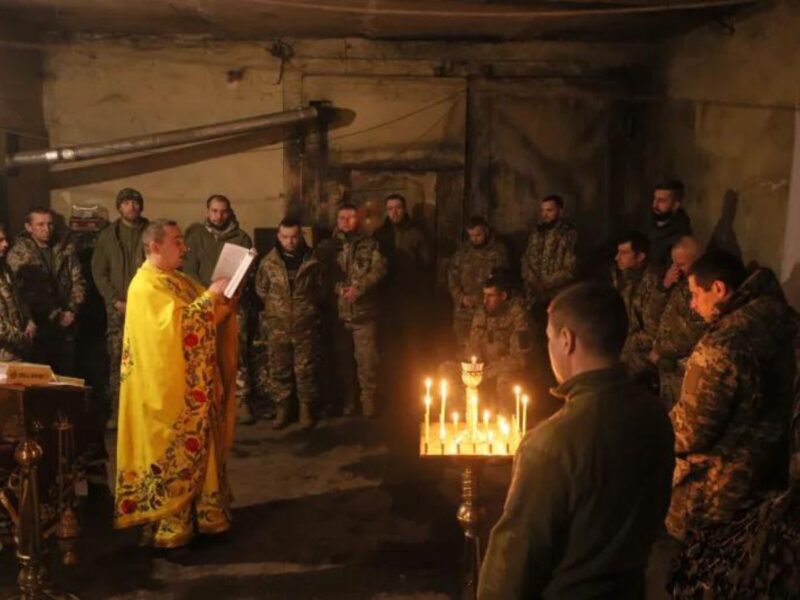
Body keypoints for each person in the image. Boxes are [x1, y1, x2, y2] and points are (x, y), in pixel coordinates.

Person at [478, 282, 674, 600]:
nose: (550, 348)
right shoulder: (655, 415)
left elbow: (516, 558)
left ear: (566, 340)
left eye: (549, 339)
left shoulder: (551, 443)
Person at [114, 220, 239, 549]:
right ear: (154, 247)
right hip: (166, 393)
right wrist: (212, 296)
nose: (185, 248)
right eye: (177, 241)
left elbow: (208, 315)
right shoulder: (144, 288)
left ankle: (205, 513)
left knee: (204, 444)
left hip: (195, 384)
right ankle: (172, 522)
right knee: (172, 449)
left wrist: (224, 297)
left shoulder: (178, 280)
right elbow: (181, 329)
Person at [666, 251, 797, 541]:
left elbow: (691, 432)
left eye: (696, 294)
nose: (693, 304)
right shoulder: (780, 316)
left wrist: (655, 430)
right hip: (770, 475)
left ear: (719, 289)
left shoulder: (722, 345)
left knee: (701, 571)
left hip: (718, 490)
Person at [183, 194, 256, 425]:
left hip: (232, 303)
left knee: (237, 352)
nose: (218, 215)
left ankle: (241, 400)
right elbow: (187, 269)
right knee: (204, 352)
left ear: (229, 211)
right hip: (202, 303)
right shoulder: (194, 237)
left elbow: (246, 271)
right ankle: (205, 401)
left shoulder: (241, 238)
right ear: (207, 212)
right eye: (214, 211)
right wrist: (206, 294)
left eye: (223, 211)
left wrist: (231, 293)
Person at [255, 218, 323, 430]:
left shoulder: (313, 261)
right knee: (279, 368)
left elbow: (321, 289)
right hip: (278, 326)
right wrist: (278, 308)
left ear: (300, 236)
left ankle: (306, 410)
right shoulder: (269, 262)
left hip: (305, 325)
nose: (290, 241)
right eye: (285, 237)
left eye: (294, 237)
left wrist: (307, 308)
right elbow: (261, 289)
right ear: (278, 236)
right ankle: (282, 410)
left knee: (305, 369)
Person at [319, 203, 387, 417]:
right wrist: (339, 289)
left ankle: (368, 402)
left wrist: (359, 288)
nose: (347, 221)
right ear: (337, 221)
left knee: (367, 362)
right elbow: (321, 274)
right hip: (338, 314)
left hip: (364, 314)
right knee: (343, 362)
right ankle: (348, 401)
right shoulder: (327, 247)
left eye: (351, 217)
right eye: (342, 218)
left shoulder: (371, 244)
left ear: (358, 219)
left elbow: (380, 269)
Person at [91, 187, 149, 429]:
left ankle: (146, 412)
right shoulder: (108, 236)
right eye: (126, 203)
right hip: (118, 310)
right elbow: (99, 272)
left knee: (147, 360)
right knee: (118, 361)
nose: (132, 207)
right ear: (119, 207)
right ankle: (118, 412)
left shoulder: (153, 231)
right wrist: (115, 301)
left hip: (148, 308)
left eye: (135, 202)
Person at [7, 207, 85, 375]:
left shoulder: (65, 249)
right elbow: (24, 293)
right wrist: (55, 314)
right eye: (40, 224)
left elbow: (77, 280)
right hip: (39, 327)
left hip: (67, 325)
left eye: (49, 224)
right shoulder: (18, 254)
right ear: (29, 227)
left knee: (67, 376)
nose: (46, 229)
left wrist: (72, 310)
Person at [440, 272, 531, 411]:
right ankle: (459, 419)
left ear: (503, 296)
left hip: (501, 371)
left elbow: (519, 359)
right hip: (481, 368)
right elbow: (473, 345)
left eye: (490, 296)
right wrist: (471, 368)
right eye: (484, 295)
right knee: (446, 369)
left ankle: (505, 423)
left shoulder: (517, 316)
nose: (485, 300)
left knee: (504, 380)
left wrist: (487, 373)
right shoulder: (481, 313)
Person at [373, 193, 432, 403]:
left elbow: (427, 266)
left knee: (414, 348)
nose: (394, 212)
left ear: (404, 208)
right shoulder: (379, 235)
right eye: (390, 208)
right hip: (388, 302)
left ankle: (414, 393)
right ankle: (393, 392)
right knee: (390, 348)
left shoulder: (418, 233)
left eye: (398, 207)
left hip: (412, 301)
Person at [648, 236, 706, 408]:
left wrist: (659, 351)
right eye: (674, 264)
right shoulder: (677, 283)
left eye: (681, 265)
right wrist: (664, 286)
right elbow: (652, 314)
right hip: (665, 366)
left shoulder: (702, 291)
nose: (677, 270)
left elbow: (693, 332)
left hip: (681, 370)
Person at [610, 231, 667, 381]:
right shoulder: (622, 276)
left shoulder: (654, 283)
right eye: (617, 252)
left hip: (642, 352)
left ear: (640, 257)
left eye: (624, 253)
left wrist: (625, 342)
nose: (617, 258)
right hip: (625, 343)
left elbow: (652, 333)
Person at [447, 216, 509, 351]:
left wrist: (484, 299)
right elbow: (452, 277)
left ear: (486, 231)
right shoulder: (463, 252)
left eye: (478, 234)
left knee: (489, 349)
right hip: (464, 311)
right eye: (471, 235)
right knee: (464, 350)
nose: (475, 239)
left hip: (488, 310)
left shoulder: (498, 252)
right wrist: (461, 298)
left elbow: (502, 280)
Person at [520, 194, 578, 310]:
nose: (544, 214)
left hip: (557, 296)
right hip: (533, 295)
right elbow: (525, 259)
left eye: (549, 210)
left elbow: (570, 268)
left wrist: (545, 283)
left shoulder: (568, 234)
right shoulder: (536, 232)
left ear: (560, 211)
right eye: (543, 210)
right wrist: (531, 280)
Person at [0, 224, 35, 361]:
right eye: (0, 240)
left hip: (16, 352)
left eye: (5, 239)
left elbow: (18, 300)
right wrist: (22, 338)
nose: (6, 244)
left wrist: (30, 322)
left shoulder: (5, 268)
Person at [646, 179, 692, 269]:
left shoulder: (680, 237)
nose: (655, 205)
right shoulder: (648, 223)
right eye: (654, 199)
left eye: (661, 201)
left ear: (675, 205)